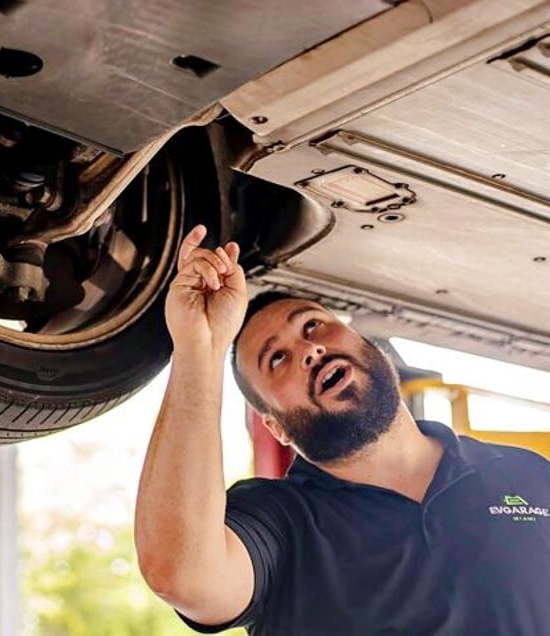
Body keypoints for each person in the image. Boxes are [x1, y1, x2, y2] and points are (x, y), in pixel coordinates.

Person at [134, 224, 550, 635]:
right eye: (277, 359)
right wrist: (198, 346)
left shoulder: (527, 474)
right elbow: (183, 574)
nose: (308, 350)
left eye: (312, 326)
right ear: (276, 428)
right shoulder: (280, 522)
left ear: (375, 349)